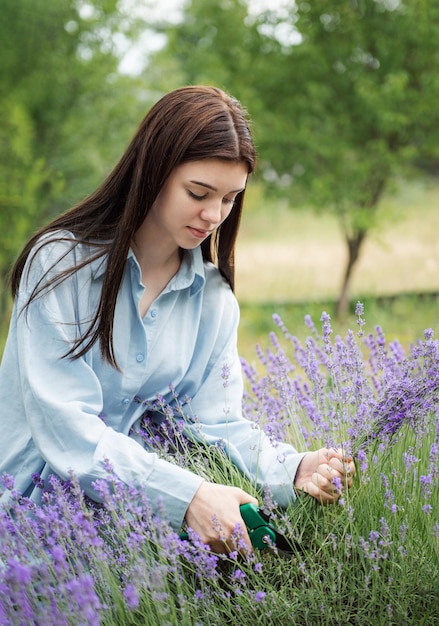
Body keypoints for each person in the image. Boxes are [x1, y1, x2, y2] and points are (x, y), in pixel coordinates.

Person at [0, 86, 354, 553]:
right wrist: (187, 496)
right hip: (22, 523)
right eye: (198, 192)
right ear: (153, 171)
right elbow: (67, 428)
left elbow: (218, 424)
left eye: (230, 199)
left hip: (124, 536)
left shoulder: (212, 299)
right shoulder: (61, 265)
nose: (213, 215)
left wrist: (293, 469)